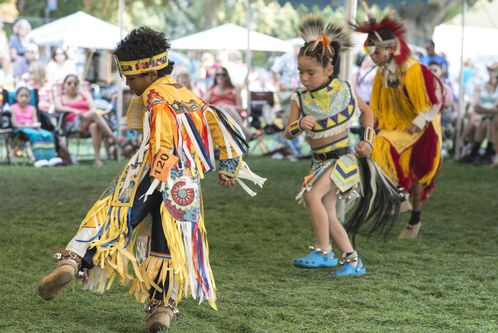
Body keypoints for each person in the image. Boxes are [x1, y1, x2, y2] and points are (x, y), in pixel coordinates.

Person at [37, 27, 265, 333]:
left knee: (116, 214)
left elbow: (164, 137)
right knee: (170, 242)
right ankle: (162, 307)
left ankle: (74, 259)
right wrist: (228, 165)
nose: (128, 83)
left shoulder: (156, 97)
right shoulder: (189, 95)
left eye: (131, 78)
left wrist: (156, 172)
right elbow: (221, 123)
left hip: (154, 171)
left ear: (150, 71)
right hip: (185, 184)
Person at [287, 15, 400, 276]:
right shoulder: (299, 99)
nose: (304, 78)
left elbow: (368, 113)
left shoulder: (345, 89)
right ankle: (352, 259)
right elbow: (288, 133)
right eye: (300, 72)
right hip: (320, 162)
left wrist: (367, 141)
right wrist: (299, 125)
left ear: (329, 69)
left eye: (310, 72)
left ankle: (324, 251)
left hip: (343, 159)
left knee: (310, 195)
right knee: (327, 212)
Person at [353, 13, 445, 239]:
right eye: (369, 52)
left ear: (390, 48)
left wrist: (420, 120)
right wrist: (371, 125)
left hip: (423, 128)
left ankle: (410, 213)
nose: (372, 57)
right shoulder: (384, 72)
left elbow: (435, 99)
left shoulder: (412, 69)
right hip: (397, 127)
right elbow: (377, 105)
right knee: (375, 146)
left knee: (415, 174)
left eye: (375, 51)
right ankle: (400, 201)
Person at [54, 74, 125, 167]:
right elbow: (58, 108)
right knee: (94, 115)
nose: (72, 85)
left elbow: (93, 108)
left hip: (88, 120)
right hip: (72, 124)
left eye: (75, 83)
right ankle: (114, 138)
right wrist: (74, 110)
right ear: (64, 85)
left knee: (94, 126)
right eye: (69, 83)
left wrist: (84, 115)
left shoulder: (85, 95)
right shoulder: (59, 98)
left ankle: (97, 160)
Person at [9, 86, 62, 167]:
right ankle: (39, 158)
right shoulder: (12, 108)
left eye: (26, 96)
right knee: (35, 135)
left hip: (33, 128)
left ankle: (51, 158)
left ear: (30, 98)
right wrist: (29, 126)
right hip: (20, 129)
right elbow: (15, 125)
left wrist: (34, 126)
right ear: (16, 97)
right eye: (21, 96)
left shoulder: (32, 108)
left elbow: (35, 122)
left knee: (48, 134)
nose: (24, 98)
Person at [204, 66, 257, 140]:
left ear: (227, 77)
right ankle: (244, 131)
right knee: (224, 108)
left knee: (226, 109)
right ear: (215, 77)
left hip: (232, 116)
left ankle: (241, 131)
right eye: (218, 74)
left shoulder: (234, 90)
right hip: (216, 117)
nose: (221, 76)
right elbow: (203, 105)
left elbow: (241, 108)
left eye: (223, 74)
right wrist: (218, 108)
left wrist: (230, 107)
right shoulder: (211, 91)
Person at [460, 63, 498, 165]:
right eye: (490, 70)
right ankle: (479, 153)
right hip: (485, 114)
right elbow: (475, 104)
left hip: (489, 115)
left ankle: (473, 150)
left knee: (486, 122)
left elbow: (495, 108)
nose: (492, 72)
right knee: (478, 121)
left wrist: (481, 110)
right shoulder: (482, 85)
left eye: (494, 70)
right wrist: (476, 109)